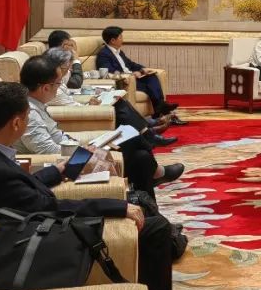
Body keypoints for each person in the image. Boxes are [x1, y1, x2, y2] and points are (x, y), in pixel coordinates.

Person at [0, 81, 198, 290]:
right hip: (39, 233)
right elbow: (45, 207)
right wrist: (116, 207)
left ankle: (171, 247)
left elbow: (22, 190)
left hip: (35, 218)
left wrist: (60, 170)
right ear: (16, 123)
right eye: (27, 117)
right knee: (154, 227)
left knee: (139, 201)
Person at [17, 55, 183, 195]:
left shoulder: (36, 104)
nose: (59, 88)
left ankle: (150, 210)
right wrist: (85, 150)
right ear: (45, 88)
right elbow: (48, 152)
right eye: (58, 84)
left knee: (141, 157)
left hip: (71, 156)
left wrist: (84, 145)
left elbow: (58, 138)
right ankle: (157, 172)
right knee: (131, 137)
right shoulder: (28, 114)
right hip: (64, 166)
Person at [44, 47, 176, 147]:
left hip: (77, 107)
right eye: (67, 67)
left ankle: (147, 132)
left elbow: (69, 95)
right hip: (78, 113)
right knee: (119, 106)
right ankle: (147, 133)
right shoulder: (52, 87)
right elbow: (72, 103)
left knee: (120, 101)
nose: (69, 70)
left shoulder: (56, 80)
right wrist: (89, 105)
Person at [95, 26, 184, 125]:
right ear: (112, 40)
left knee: (152, 76)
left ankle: (161, 109)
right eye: (120, 37)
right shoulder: (104, 54)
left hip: (133, 78)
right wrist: (130, 74)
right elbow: (109, 72)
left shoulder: (119, 52)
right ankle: (162, 111)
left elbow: (131, 64)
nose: (122, 39)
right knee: (150, 87)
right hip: (125, 82)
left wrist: (142, 69)